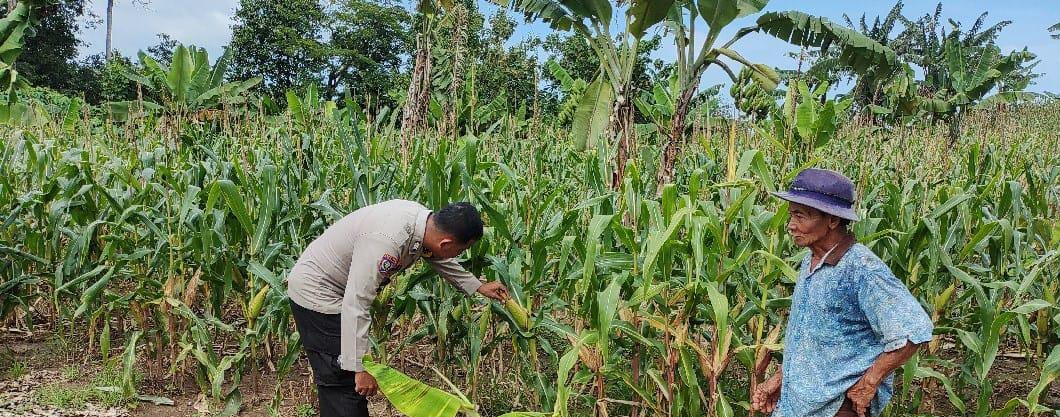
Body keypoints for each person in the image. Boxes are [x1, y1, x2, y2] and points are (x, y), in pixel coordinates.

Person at [285, 200, 510, 417]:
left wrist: (477, 286)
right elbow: (356, 303)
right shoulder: (387, 242)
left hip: (339, 291)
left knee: (345, 384)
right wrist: (359, 367)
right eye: (460, 251)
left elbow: (437, 255)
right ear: (446, 242)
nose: (457, 256)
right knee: (342, 382)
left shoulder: (423, 224)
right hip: (318, 293)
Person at [751, 168, 934, 417]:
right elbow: (811, 338)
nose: (791, 226)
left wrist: (870, 381)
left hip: (835, 407)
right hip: (799, 405)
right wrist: (782, 378)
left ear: (832, 220)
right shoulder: (810, 260)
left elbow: (915, 329)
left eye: (800, 216)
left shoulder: (861, 268)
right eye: (791, 215)